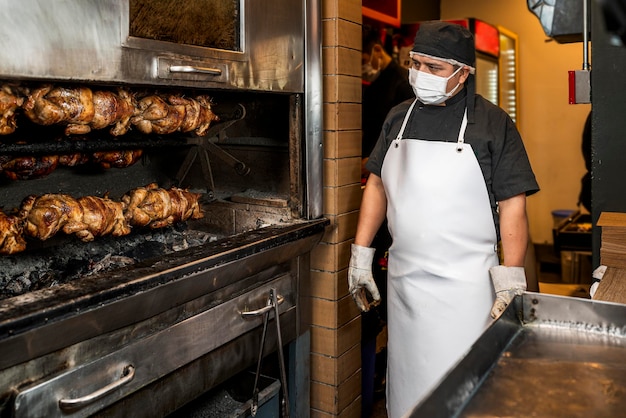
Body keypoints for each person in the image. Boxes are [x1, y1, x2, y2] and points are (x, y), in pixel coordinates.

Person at [348, 21, 539, 418]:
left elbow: (513, 206)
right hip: (406, 286)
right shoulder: (397, 118)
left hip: (467, 293)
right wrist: (360, 254)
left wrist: (511, 278)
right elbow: (377, 186)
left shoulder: (493, 124)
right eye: (416, 63)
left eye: (433, 68)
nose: (420, 74)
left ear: (463, 72)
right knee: (408, 395)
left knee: (465, 396)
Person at [359, 26, 414, 417]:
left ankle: (390, 366)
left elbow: (398, 157)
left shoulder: (400, 87)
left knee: (392, 301)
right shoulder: (374, 85)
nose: (361, 66)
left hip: (395, 203)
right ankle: (383, 373)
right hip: (373, 191)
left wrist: (365, 164)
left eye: (364, 57)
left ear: (379, 51)